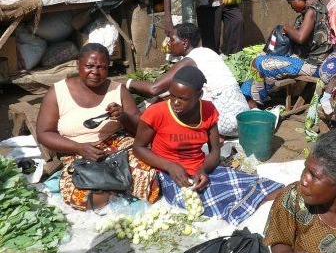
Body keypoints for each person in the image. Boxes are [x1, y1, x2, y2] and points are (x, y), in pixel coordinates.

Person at [133, 66, 282, 225]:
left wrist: (203, 170)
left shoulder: (208, 110)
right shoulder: (157, 112)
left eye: (183, 98)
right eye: (172, 96)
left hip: (201, 168)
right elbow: (138, 148)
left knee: (261, 187)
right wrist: (169, 166)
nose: (175, 102)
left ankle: (279, 214)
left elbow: (214, 152)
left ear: (199, 95)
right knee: (207, 201)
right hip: (170, 174)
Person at [35, 43, 160, 211]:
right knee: (86, 198)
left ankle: (115, 187)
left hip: (117, 146)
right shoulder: (58, 92)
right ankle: (115, 190)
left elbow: (140, 130)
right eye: (89, 66)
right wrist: (79, 148)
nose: (95, 72)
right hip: (76, 151)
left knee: (149, 178)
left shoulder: (118, 90)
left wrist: (123, 116)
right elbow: (44, 133)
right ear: (78, 64)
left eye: (101, 67)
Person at [127, 24, 249, 136]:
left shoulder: (190, 60)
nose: (169, 43)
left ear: (185, 43)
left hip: (224, 123)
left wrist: (127, 83)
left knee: (172, 102)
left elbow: (154, 89)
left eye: (172, 40)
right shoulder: (208, 52)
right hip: (244, 119)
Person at [241, 0, 333, 105]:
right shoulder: (318, 5)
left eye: (291, 3)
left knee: (259, 62)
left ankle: (253, 100)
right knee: (261, 64)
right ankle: (253, 98)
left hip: (312, 65)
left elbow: (300, 37)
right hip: (309, 60)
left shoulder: (311, 12)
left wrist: (286, 27)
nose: (291, 7)